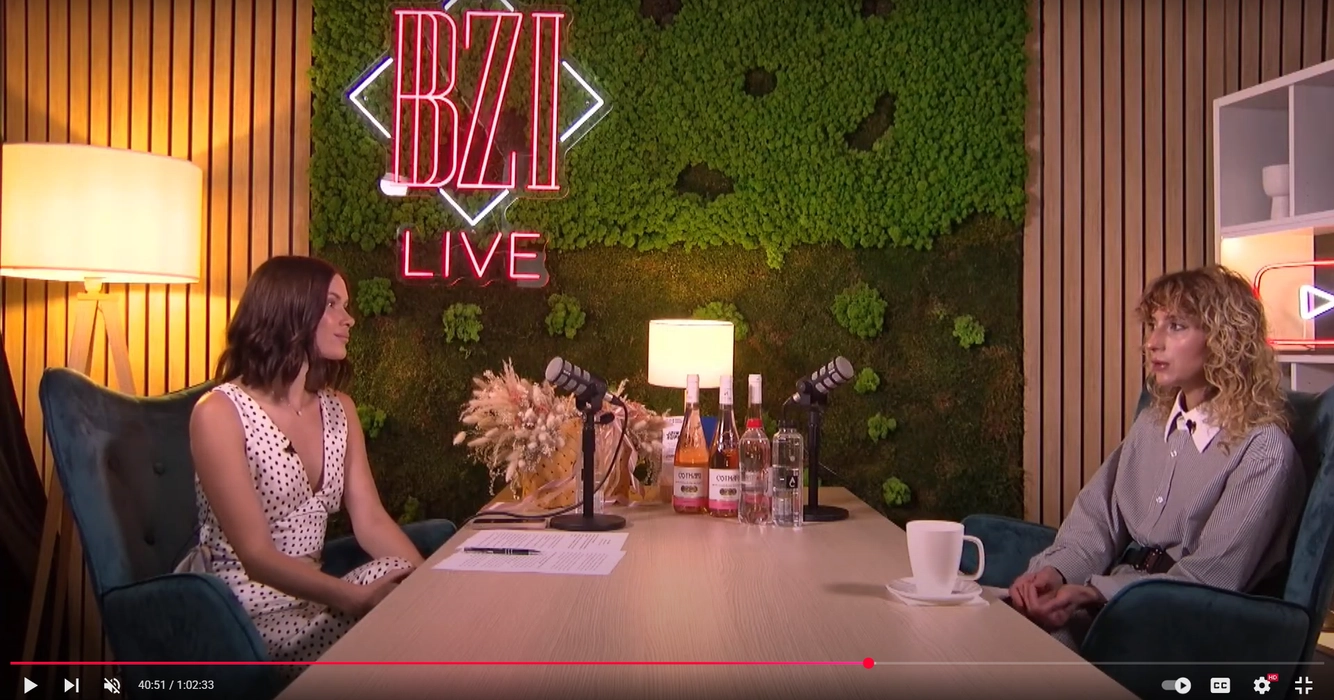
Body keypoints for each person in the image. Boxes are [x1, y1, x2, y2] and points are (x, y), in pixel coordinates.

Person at [1008, 264, 1306, 650]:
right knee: (1008, 628)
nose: (1152, 342)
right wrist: (1055, 573)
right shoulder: (1152, 423)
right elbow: (1097, 520)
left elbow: (1211, 578)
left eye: (1176, 326)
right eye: (1154, 324)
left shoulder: (1263, 450)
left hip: (1181, 630)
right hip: (1114, 599)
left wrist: (1095, 593)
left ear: (1224, 339)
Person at [176, 255, 425, 675]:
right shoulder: (219, 413)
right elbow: (255, 555)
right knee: (394, 624)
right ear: (290, 311)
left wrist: (429, 584)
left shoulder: (339, 409)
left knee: (402, 576)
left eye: (346, 305)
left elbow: (370, 521)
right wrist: (354, 599)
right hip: (245, 621)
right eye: (331, 304)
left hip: (314, 603)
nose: (348, 319)